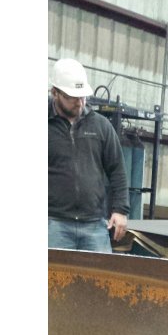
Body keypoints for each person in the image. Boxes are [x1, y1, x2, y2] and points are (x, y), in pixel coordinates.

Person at [48, 58, 129, 252]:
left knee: (101, 273)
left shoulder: (101, 126)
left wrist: (120, 210)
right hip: (53, 225)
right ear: (55, 93)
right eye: (72, 97)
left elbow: (117, 170)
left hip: (94, 226)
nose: (80, 102)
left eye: (82, 96)